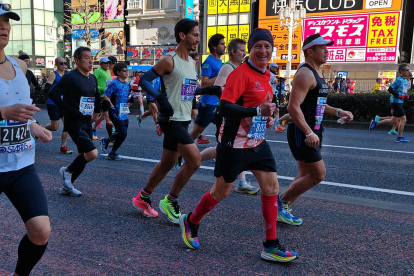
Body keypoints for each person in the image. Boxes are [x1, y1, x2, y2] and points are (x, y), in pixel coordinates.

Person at [179, 28, 297, 263]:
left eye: (267, 46)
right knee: (221, 191)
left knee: (272, 188)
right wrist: (256, 111)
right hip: (234, 143)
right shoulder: (240, 74)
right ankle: (191, 221)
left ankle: (270, 244)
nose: (263, 51)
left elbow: (263, 105)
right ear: (249, 51)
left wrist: (268, 116)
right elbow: (224, 108)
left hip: (257, 141)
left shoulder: (266, 75)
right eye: (257, 47)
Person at [131, 19, 221, 222]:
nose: (198, 38)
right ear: (182, 35)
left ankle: (142, 197)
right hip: (169, 119)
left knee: (168, 162)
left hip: (182, 119)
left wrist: (206, 90)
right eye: (195, 34)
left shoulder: (191, 63)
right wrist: (160, 98)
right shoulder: (168, 60)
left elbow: (187, 90)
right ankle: (170, 200)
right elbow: (144, 80)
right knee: (195, 160)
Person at [279, 33, 354, 226]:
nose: (327, 51)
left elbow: (317, 106)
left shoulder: (318, 73)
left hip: (313, 130)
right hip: (302, 131)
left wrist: (338, 111)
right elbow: (292, 107)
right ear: (309, 51)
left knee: (305, 174)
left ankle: (282, 208)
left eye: (327, 47)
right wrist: (308, 132)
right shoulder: (305, 74)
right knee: (318, 174)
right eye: (322, 47)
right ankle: (280, 203)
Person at [0, 5, 53, 275]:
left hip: (21, 165)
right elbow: (7, 109)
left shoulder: (19, 66)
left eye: (7, 21)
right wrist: (4, 112)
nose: (3, 26)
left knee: (41, 231)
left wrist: (33, 125)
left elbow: (19, 108)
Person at [199, 38, 260, 194]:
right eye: (242, 50)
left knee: (235, 145)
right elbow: (218, 87)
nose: (244, 53)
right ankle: (194, 159)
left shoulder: (240, 67)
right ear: (233, 52)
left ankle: (241, 182)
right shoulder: (228, 67)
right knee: (225, 147)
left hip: (236, 112)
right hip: (227, 113)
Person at [49, 46, 104, 196]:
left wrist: (98, 111)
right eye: (86, 58)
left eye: (91, 58)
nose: (90, 61)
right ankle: (66, 172)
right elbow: (53, 93)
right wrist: (69, 109)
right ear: (77, 61)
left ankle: (67, 186)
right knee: (92, 153)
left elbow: (96, 98)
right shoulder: (70, 77)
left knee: (82, 156)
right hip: (74, 122)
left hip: (86, 122)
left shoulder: (92, 78)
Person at [190, 33, 226, 144]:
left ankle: (221, 156)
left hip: (219, 103)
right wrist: (220, 76)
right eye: (222, 44)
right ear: (214, 46)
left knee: (224, 131)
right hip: (208, 103)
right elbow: (204, 83)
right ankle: (178, 151)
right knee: (196, 132)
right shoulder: (208, 62)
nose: (225, 46)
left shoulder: (220, 61)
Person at [369, 64, 410, 142]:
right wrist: (398, 95)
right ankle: (399, 137)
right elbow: (390, 89)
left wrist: (405, 95)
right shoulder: (399, 80)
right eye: (407, 70)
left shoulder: (405, 80)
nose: (408, 72)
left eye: (408, 70)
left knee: (393, 120)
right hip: (395, 102)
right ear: (401, 71)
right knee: (403, 119)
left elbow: (402, 91)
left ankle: (375, 123)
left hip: (400, 102)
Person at [43, 57, 73, 154]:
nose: (63, 65)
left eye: (65, 63)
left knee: (67, 125)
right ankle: (40, 129)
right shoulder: (53, 75)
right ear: (56, 64)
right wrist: (55, 93)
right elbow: (47, 88)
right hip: (53, 103)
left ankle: (63, 147)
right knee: (55, 127)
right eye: (61, 63)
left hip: (63, 104)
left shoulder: (66, 76)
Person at [100, 62, 130, 160]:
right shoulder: (114, 83)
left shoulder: (127, 84)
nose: (126, 72)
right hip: (115, 112)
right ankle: (112, 152)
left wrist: (131, 101)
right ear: (118, 72)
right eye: (124, 70)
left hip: (124, 112)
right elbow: (105, 96)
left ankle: (106, 141)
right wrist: (112, 108)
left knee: (122, 132)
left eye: (127, 70)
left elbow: (125, 99)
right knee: (123, 133)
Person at [92, 57, 112, 140]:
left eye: (108, 63)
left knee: (105, 116)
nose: (107, 64)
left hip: (106, 96)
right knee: (95, 117)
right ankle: (83, 126)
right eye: (105, 63)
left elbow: (108, 83)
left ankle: (94, 129)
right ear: (100, 64)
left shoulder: (108, 71)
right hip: (99, 96)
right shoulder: (97, 71)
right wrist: (102, 89)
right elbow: (92, 83)